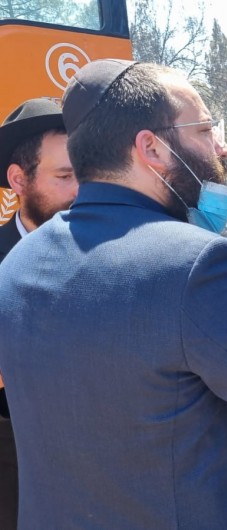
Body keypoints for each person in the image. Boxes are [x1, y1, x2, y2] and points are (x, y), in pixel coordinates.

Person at [0, 59, 227, 530]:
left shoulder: (16, 266)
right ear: (150, 147)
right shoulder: (196, 264)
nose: (221, 147)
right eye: (205, 129)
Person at [0, 97, 77, 529]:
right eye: (65, 176)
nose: (81, 190)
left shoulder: (112, 248)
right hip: (12, 448)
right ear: (18, 179)